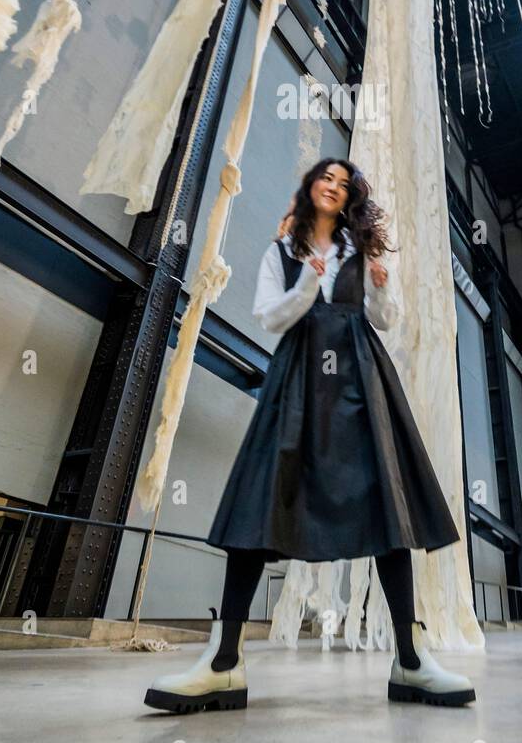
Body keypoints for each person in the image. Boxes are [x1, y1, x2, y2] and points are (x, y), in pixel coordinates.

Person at [145, 158, 476, 712]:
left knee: (386, 503)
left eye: (345, 185)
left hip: (360, 378)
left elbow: (385, 319)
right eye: (327, 177)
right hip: (298, 377)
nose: (334, 186)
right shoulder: (279, 252)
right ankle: (224, 662)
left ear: (350, 200)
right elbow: (269, 317)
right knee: (258, 501)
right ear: (310, 187)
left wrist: (378, 288)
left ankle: (411, 661)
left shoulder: (360, 250)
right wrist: (307, 280)